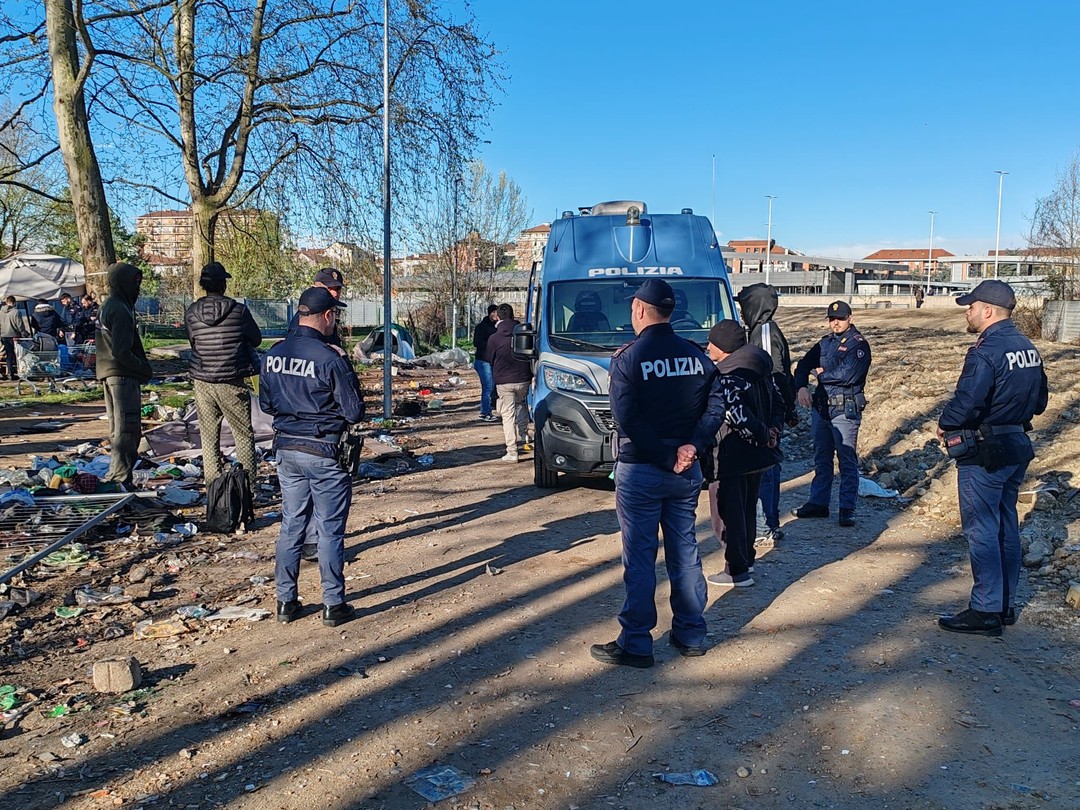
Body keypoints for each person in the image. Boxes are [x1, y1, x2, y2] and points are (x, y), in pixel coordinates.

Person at [590, 279, 724, 668]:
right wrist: (692, 447)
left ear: (638, 311)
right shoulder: (697, 357)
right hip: (685, 470)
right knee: (685, 552)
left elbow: (626, 417)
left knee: (641, 557)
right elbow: (716, 408)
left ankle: (636, 642)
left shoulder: (628, 358)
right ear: (670, 313)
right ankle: (691, 633)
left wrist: (668, 455)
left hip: (644, 469)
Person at [936, 280, 1048, 637]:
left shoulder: (986, 349)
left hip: (985, 451)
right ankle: (1005, 605)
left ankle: (985, 609)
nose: (967, 312)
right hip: (1016, 445)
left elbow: (968, 401)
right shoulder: (1027, 347)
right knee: (1005, 526)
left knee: (982, 529)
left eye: (970, 306)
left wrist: (945, 424)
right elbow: (1041, 401)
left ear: (987, 310)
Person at [260, 287, 365, 628]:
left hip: (287, 450)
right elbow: (354, 412)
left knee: (291, 525)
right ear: (327, 316)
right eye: (336, 315)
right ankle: (333, 604)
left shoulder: (273, 354)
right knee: (330, 530)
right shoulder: (331, 358)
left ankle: (285, 602)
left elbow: (265, 405)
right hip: (323, 452)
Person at [702, 320, 784, 588]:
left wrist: (761, 434)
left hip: (731, 454)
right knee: (747, 509)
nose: (707, 347)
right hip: (758, 456)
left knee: (727, 513)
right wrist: (771, 432)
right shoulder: (761, 367)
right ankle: (746, 559)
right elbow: (779, 402)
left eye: (711, 343)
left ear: (723, 348)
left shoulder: (728, 375)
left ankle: (736, 570)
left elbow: (735, 415)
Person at [184, 262, 263, 505]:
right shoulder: (238, 311)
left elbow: (192, 342)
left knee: (209, 436)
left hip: (202, 380)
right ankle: (247, 491)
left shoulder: (191, 312)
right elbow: (256, 339)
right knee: (243, 434)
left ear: (203, 285)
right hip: (232, 379)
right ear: (224, 284)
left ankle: (214, 491)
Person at [792, 301, 872, 528]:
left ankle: (847, 509)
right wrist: (801, 387)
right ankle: (818, 503)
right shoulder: (825, 343)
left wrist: (821, 375)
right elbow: (802, 365)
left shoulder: (859, 345)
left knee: (846, 461)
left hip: (844, 410)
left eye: (840, 318)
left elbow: (848, 375)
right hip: (821, 409)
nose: (835, 322)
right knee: (821, 458)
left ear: (850, 318)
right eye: (832, 318)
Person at [736, 283, 797, 545]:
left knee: (763, 469)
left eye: (743, 306)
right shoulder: (765, 329)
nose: (741, 311)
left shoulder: (763, 332)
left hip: (766, 413)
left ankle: (763, 528)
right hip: (773, 411)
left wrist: (779, 413)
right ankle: (768, 524)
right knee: (769, 468)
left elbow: (767, 377)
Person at [96, 262, 154, 489]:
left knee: (118, 426)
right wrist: (142, 367)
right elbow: (121, 351)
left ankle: (119, 474)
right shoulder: (119, 310)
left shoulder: (109, 305)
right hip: (121, 375)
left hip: (110, 373)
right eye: (135, 283)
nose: (138, 289)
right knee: (127, 428)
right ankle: (120, 477)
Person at [487, 303, 532, 462]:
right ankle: (525, 435)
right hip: (523, 379)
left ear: (497, 317)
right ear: (513, 317)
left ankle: (512, 451)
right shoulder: (523, 335)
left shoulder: (494, 338)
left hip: (504, 381)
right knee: (521, 404)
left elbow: (489, 359)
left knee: (507, 415)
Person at [287, 267, 345, 347]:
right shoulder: (306, 316)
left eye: (338, 289)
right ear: (314, 287)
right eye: (329, 288)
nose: (335, 293)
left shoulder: (330, 312)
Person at [472, 304, 499, 422]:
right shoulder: (482, 327)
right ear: (489, 313)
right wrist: (491, 347)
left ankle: (488, 409)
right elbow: (477, 343)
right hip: (483, 361)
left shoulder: (498, 327)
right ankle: (485, 412)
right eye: (493, 312)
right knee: (488, 387)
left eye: (497, 312)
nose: (495, 315)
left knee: (492, 386)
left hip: (492, 361)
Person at [0, 296, 31, 380]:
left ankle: (10, 373)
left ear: (6, 302)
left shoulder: (1, 312)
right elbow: (19, 325)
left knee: (9, 355)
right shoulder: (16, 312)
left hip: (4, 335)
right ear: (14, 302)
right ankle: (22, 372)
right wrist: (24, 333)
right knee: (20, 355)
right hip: (14, 335)